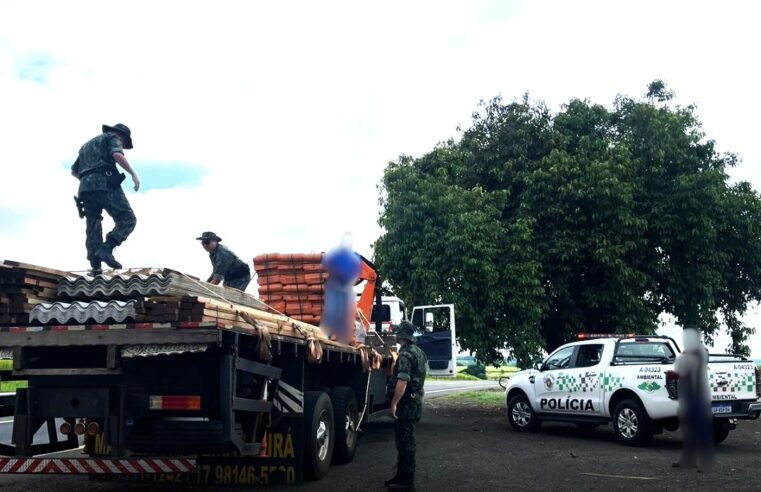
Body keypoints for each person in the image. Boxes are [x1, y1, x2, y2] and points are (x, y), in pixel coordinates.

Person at [71, 123, 139, 272]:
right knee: (128, 218)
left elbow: (74, 170)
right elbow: (117, 154)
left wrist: (89, 180)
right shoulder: (114, 137)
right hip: (105, 183)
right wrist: (133, 174)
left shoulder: (85, 146)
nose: (123, 144)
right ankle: (107, 248)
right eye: (124, 142)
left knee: (93, 223)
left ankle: (96, 266)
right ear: (122, 136)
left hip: (85, 189)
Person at [385, 321, 427, 490]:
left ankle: (407, 483)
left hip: (406, 404)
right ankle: (401, 476)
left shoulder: (405, 355)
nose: (395, 334)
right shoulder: (419, 352)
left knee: (406, 443)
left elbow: (403, 380)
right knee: (403, 441)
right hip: (414, 400)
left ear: (401, 335)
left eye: (397, 333)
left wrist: (394, 403)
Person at [672, 327, 713, 471]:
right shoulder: (691, 354)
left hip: (698, 399)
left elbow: (688, 371)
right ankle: (689, 459)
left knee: (700, 431)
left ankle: (703, 462)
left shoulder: (699, 353)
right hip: (690, 399)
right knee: (688, 432)